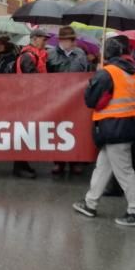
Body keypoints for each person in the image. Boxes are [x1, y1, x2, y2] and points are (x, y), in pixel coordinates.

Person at [73, 36, 135, 226]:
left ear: (107, 54)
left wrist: (97, 75)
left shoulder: (107, 73)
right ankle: (90, 203)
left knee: (124, 171)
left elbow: (90, 100)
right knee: (103, 167)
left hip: (112, 127)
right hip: (127, 126)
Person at [47, 26, 88, 177]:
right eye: (66, 40)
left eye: (71, 40)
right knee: (58, 130)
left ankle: (75, 161)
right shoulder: (50, 55)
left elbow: (85, 74)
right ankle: (59, 162)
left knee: (75, 130)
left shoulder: (80, 54)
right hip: (57, 99)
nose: (69, 42)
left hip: (76, 99)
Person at [12, 28, 50, 178]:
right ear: (34, 39)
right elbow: (32, 79)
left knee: (27, 133)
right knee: (24, 133)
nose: (45, 42)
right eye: (43, 39)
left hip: (30, 99)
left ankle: (23, 164)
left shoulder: (36, 56)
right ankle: (19, 166)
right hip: (25, 100)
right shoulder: (28, 56)